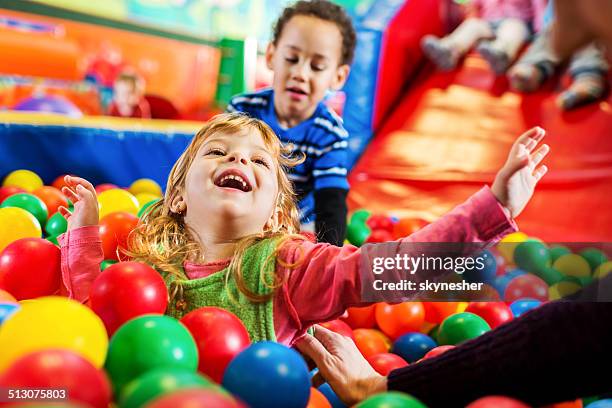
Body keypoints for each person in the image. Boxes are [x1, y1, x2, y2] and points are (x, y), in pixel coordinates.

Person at [57, 113, 548, 346]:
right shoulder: (150, 272)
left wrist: (492, 207)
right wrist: (83, 236)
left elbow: (388, 269)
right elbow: (94, 320)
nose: (237, 159)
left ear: (274, 212)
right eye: (218, 152)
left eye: (258, 162)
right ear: (180, 196)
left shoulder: (288, 266)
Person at [227, 0, 355, 246]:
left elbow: (332, 200)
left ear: (338, 77)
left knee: (301, 246)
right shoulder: (242, 110)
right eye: (292, 58)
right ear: (272, 56)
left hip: (296, 220)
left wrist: (329, 254)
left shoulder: (330, 134)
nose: (301, 73)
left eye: (317, 66)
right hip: (242, 207)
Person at [508, 0, 609, 110]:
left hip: (588, 28)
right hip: (556, 27)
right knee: (548, 36)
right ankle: (533, 69)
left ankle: (588, 78)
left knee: (589, 38)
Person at [421, 0, 539, 74]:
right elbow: (474, 7)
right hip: (489, 23)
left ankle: (502, 54)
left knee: (512, 28)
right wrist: (469, 15)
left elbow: (539, 9)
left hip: (518, 22)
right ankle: (449, 50)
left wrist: (539, 34)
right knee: (473, 25)